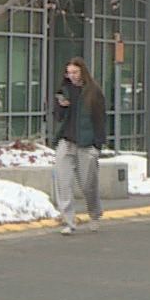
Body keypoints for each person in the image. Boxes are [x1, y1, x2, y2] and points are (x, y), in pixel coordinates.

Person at [48, 57, 106, 235]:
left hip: (86, 144)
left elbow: (100, 119)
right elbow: (57, 116)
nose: (72, 76)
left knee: (88, 184)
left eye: (75, 72)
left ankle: (94, 215)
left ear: (83, 72)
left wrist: (97, 144)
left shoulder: (93, 92)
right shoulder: (64, 90)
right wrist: (61, 106)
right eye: (69, 73)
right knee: (63, 182)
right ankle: (68, 221)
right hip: (66, 141)